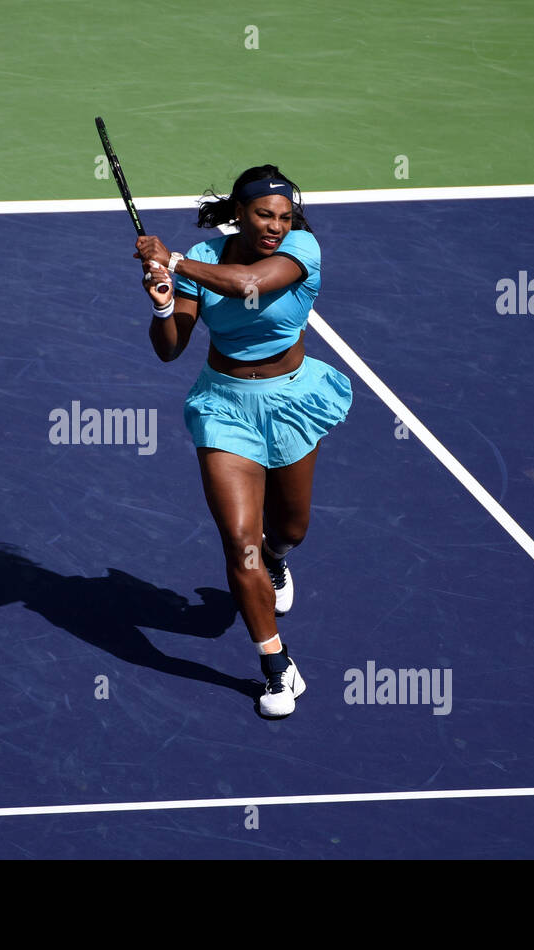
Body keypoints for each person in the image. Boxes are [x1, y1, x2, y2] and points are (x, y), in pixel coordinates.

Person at [134, 165, 353, 718]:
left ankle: (278, 558)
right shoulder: (204, 260)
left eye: (284, 216)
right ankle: (277, 666)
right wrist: (163, 300)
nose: (275, 226)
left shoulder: (302, 248)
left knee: (290, 528)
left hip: (292, 399)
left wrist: (175, 260)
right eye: (263, 214)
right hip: (225, 408)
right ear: (240, 212)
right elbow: (169, 349)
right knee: (239, 539)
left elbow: (250, 286)